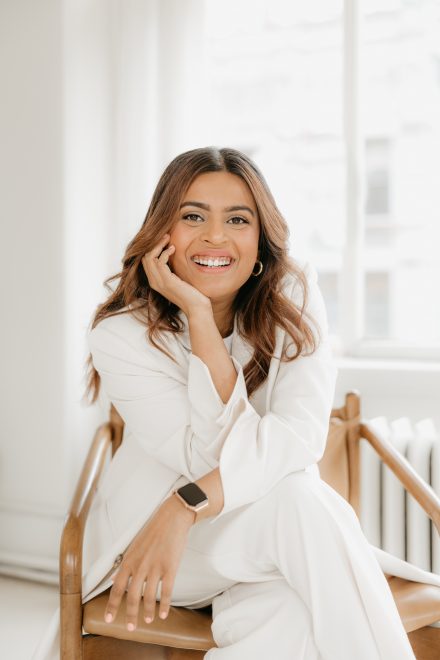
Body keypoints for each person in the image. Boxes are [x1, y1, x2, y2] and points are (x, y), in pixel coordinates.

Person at [32, 147, 440, 660]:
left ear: (260, 238)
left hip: (260, 531)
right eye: (193, 216)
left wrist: (186, 504)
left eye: (238, 219)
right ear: (163, 234)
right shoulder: (122, 334)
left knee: (285, 613)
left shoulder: (293, 292)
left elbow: (300, 439)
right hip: (161, 550)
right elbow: (210, 456)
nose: (215, 236)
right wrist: (200, 319)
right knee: (298, 497)